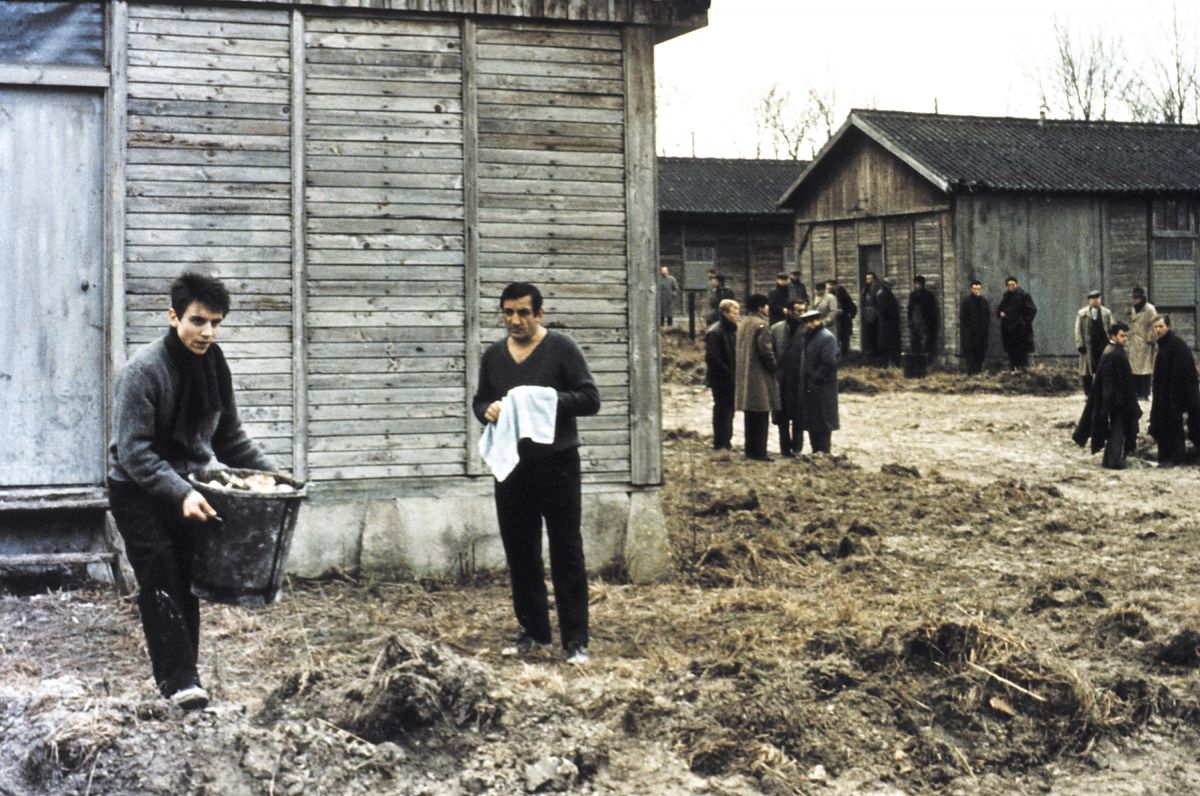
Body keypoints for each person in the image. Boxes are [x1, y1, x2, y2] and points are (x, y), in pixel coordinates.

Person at [108, 272, 277, 711]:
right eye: (198, 321)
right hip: (137, 488)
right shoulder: (143, 372)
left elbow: (230, 438)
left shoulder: (215, 365)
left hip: (190, 486)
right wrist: (180, 492)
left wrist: (277, 480)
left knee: (186, 578)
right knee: (160, 569)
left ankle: (189, 680)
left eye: (215, 323)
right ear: (173, 317)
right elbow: (134, 452)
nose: (207, 332)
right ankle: (178, 681)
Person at [472, 282, 601, 664]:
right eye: (508, 312)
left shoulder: (561, 348)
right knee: (520, 549)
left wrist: (542, 401)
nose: (515, 320)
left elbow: (590, 398)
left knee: (565, 549)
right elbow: (480, 399)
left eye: (524, 313)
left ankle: (575, 640)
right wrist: (487, 411)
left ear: (539, 314)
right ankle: (534, 631)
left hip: (557, 463)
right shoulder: (494, 356)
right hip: (511, 465)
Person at [1072, 322, 1141, 469]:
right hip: (1117, 401)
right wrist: (1114, 402)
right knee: (1118, 430)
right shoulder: (1113, 353)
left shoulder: (1113, 351)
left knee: (1118, 430)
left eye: (1126, 336)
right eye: (1122, 336)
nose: (1125, 339)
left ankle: (1111, 459)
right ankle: (1113, 461)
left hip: (1117, 399)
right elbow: (1109, 381)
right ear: (1113, 336)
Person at [1148, 314, 1200, 467]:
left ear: (1168, 326)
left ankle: (1176, 459)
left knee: (1174, 426)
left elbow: (1181, 374)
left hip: (1175, 396)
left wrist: (1175, 398)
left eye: (1161, 326)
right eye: (1156, 327)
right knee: (1164, 424)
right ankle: (1166, 457)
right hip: (1166, 396)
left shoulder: (1176, 345)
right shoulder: (1164, 345)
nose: (1158, 330)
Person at [735, 293, 779, 461]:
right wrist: (775, 367)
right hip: (759, 376)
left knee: (750, 416)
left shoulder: (743, 323)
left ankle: (750, 450)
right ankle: (760, 452)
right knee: (761, 415)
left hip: (745, 376)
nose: (768, 308)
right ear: (761, 307)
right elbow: (766, 351)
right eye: (766, 305)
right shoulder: (762, 325)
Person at [797, 309, 839, 453]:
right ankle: (816, 453)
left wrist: (815, 380)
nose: (807, 325)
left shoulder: (827, 338)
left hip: (822, 389)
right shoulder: (809, 337)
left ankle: (824, 454)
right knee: (812, 423)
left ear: (817, 321)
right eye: (806, 323)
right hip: (809, 388)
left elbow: (828, 364)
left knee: (823, 423)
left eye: (810, 322)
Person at [771, 297, 808, 456]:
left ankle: (797, 449)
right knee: (782, 417)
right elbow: (770, 352)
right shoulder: (776, 329)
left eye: (803, 310)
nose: (801, 314)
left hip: (800, 380)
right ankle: (785, 450)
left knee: (799, 416)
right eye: (798, 311)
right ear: (789, 311)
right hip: (781, 380)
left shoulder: (808, 330)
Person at [704, 298, 739, 451]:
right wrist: (728, 372)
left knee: (729, 410)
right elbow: (712, 357)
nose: (737, 314)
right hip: (720, 378)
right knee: (721, 410)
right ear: (724, 313)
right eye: (734, 311)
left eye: (737, 310)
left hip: (730, 376)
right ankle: (720, 442)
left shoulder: (732, 329)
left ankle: (726, 441)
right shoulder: (715, 331)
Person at [1075, 290, 1113, 394]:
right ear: (1089, 300)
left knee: (1103, 369)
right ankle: (1088, 392)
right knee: (1087, 370)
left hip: (1102, 344)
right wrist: (1080, 344)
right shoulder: (1082, 313)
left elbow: (1111, 328)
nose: (1095, 300)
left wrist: (1112, 342)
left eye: (1097, 298)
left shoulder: (1106, 313)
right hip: (1088, 345)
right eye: (1093, 298)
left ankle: (1103, 391)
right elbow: (1078, 330)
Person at [997, 276, 1037, 370]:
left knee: (1022, 351)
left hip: (1020, 329)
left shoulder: (1023, 295)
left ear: (1017, 284)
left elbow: (1032, 309)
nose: (1011, 286)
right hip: (1008, 329)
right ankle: (1013, 370)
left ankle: (1022, 371)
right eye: (1009, 285)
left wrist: (1024, 321)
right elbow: (1001, 308)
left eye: (1013, 284)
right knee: (1012, 351)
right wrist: (1001, 313)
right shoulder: (1006, 295)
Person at [906, 275, 939, 378]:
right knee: (914, 345)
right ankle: (915, 368)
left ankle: (925, 368)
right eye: (915, 284)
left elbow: (932, 311)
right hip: (914, 324)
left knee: (926, 346)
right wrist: (910, 322)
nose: (917, 285)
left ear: (922, 284)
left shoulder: (928, 295)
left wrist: (930, 324)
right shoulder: (912, 295)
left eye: (919, 284)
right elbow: (910, 310)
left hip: (925, 324)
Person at [1127, 287, 1157, 400]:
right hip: (1134, 343)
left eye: (1137, 298)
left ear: (1141, 298)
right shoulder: (1134, 309)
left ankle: (1145, 393)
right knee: (1134, 369)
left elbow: (1154, 325)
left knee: (1145, 369)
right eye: (1133, 298)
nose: (1134, 300)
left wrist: (1149, 339)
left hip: (1145, 343)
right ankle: (1137, 392)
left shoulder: (1150, 309)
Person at [959, 279, 990, 374]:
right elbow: (963, 317)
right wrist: (968, 330)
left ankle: (979, 370)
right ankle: (971, 372)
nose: (977, 291)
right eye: (975, 289)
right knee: (970, 352)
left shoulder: (984, 302)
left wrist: (984, 328)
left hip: (981, 333)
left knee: (981, 351)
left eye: (979, 289)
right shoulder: (966, 302)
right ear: (971, 289)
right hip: (970, 333)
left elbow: (987, 316)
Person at [877, 277, 903, 367]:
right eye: (890, 285)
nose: (891, 287)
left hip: (890, 323)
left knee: (892, 344)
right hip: (886, 323)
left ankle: (892, 363)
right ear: (885, 284)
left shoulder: (887, 293)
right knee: (886, 344)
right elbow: (884, 310)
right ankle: (886, 364)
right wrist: (893, 316)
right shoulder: (882, 294)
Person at [830, 279, 857, 358]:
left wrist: (850, 315)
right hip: (837, 321)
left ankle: (844, 355)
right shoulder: (831, 298)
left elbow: (853, 308)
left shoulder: (845, 299)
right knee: (837, 338)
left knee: (844, 338)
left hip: (844, 320)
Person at [860, 272, 881, 363]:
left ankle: (874, 355)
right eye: (867, 279)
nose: (869, 280)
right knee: (868, 336)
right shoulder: (866, 289)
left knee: (875, 336)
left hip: (875, 316)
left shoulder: (876, 288)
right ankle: (869, 355)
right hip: (867, 315)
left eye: (870, 278)